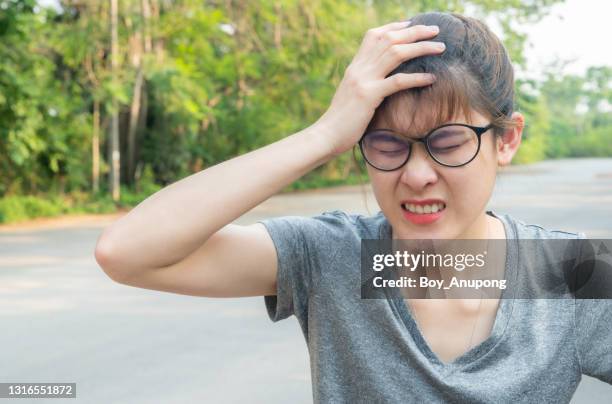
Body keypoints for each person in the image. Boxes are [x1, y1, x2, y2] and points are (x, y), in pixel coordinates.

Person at [94, 11, 611, 403]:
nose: (415, 174)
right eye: (387, 145)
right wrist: (324, 134)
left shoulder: (569, 272)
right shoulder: (338, 258)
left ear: (506, 139)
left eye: (449, 142)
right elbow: (127, 252)